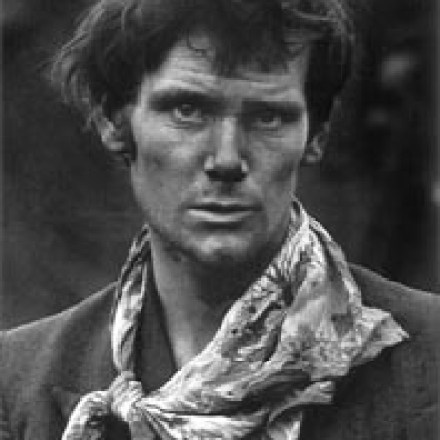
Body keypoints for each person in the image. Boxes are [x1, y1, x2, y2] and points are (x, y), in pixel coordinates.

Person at [1, 0, 439, 439]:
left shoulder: (430, 360)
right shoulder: (20, 383)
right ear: (114, 122)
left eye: (268, 116)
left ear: (316, 135)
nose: (227, 159)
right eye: (187, 110)